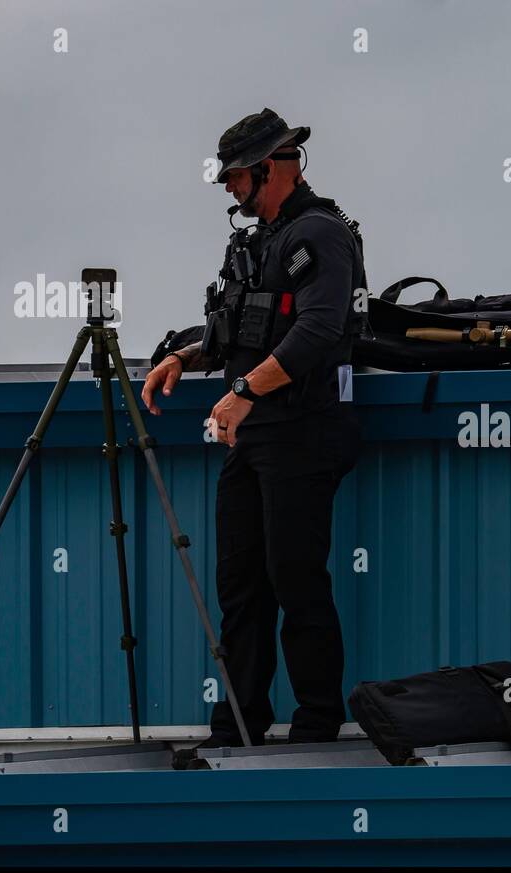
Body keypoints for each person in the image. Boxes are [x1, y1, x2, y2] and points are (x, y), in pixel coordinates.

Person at [140, 108, 365, 764]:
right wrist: (184, 355)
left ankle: (317, 728)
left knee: (294, 577)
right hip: (255, 436)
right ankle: (238, 725)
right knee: (240, 584)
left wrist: (239, 394)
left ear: (274, 167)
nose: (231, 190)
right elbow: (237, 329)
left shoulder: (324, 234)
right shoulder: (257, 241)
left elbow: (319, 331)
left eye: (238, 177)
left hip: (303, 429)